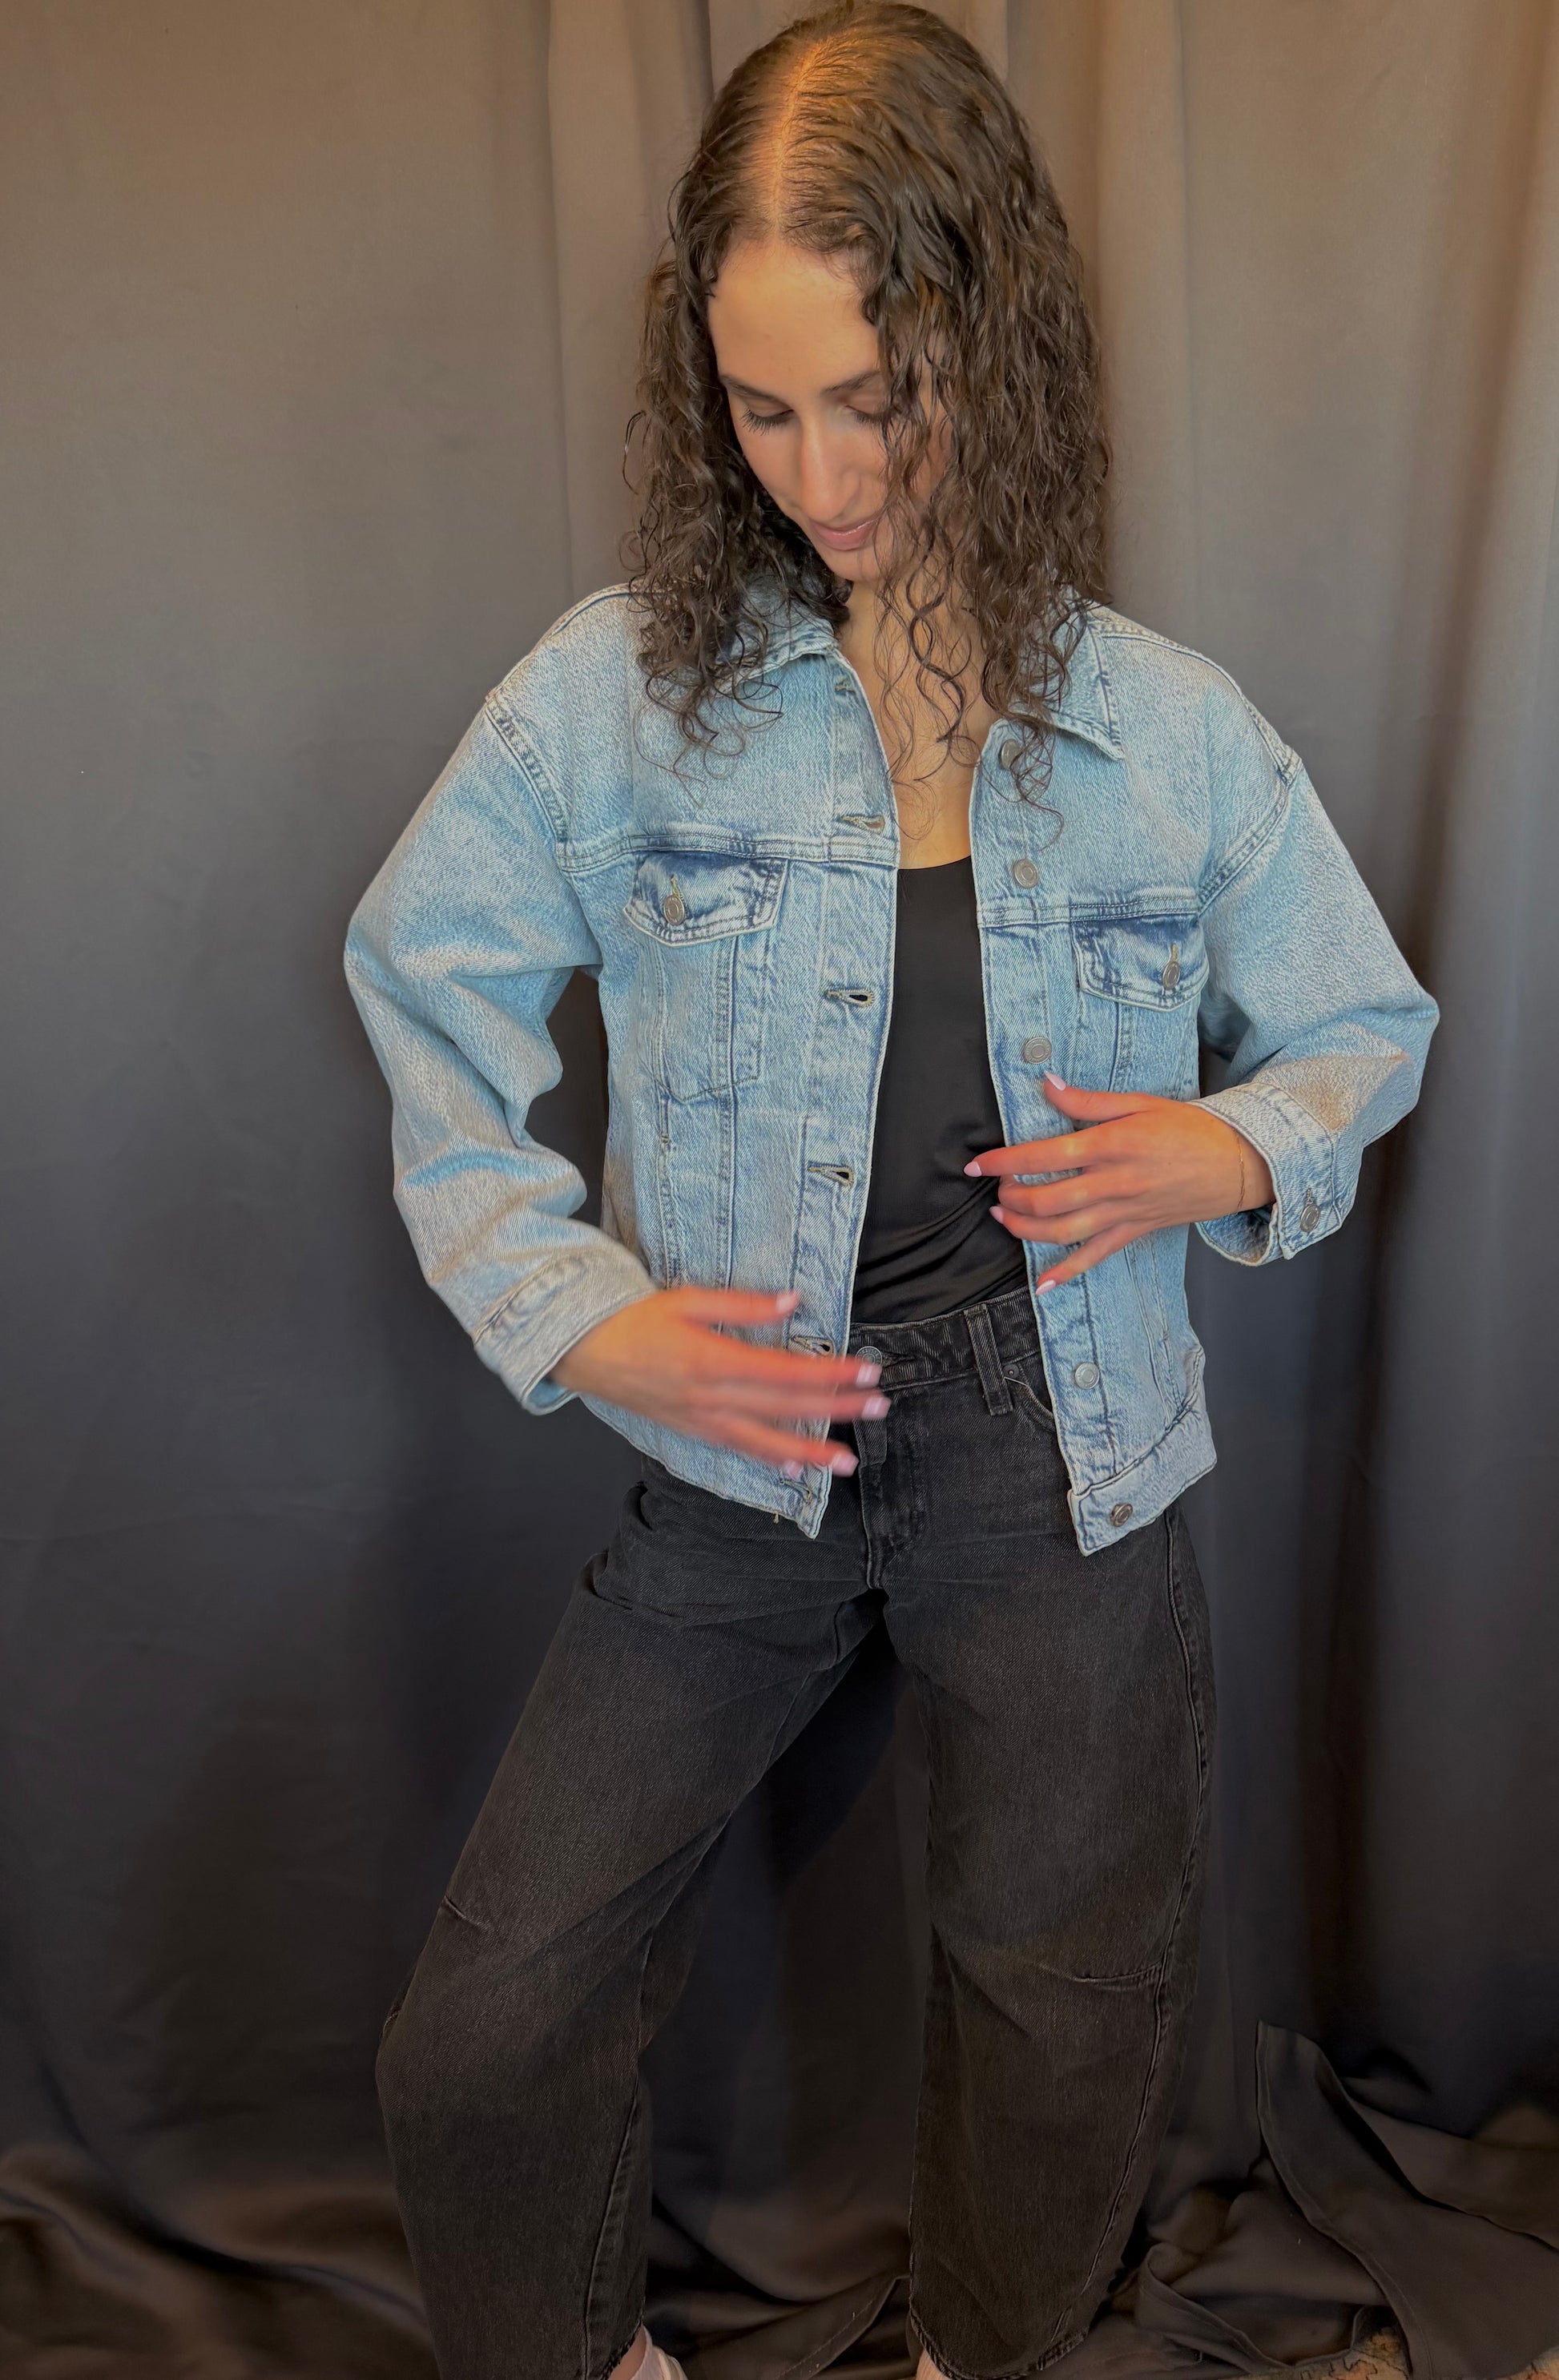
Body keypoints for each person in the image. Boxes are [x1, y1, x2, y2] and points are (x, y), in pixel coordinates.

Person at [344, 7, 1437, 2377]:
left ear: (990, 338)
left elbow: (1367, 1024)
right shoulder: (610, 702)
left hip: (1065, 1453)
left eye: (876, 396)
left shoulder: (1162, 729)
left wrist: (1232, 1145)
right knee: (485, 2032)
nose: (823, 475)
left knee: (1058, 2012)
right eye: (759, 408)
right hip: (740, 1450)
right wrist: (575, 1308)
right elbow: (423, 987)